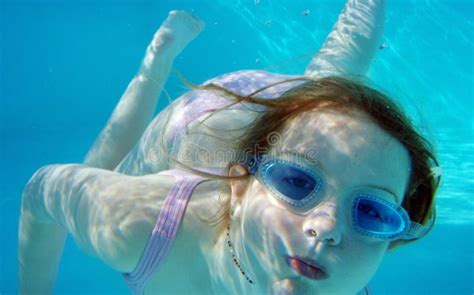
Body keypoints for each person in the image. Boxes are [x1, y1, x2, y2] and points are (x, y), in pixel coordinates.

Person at [18, 1, 441, 294]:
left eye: (372, 211)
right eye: (295, 183)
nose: (327, 228)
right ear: (238, 185)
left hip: (294, 118)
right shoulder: (142, 226)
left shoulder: (339, 272)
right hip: (197, 124)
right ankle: (155, 64)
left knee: (330, 81)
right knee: (102, 168)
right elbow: (42, 191)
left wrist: (296, 169)